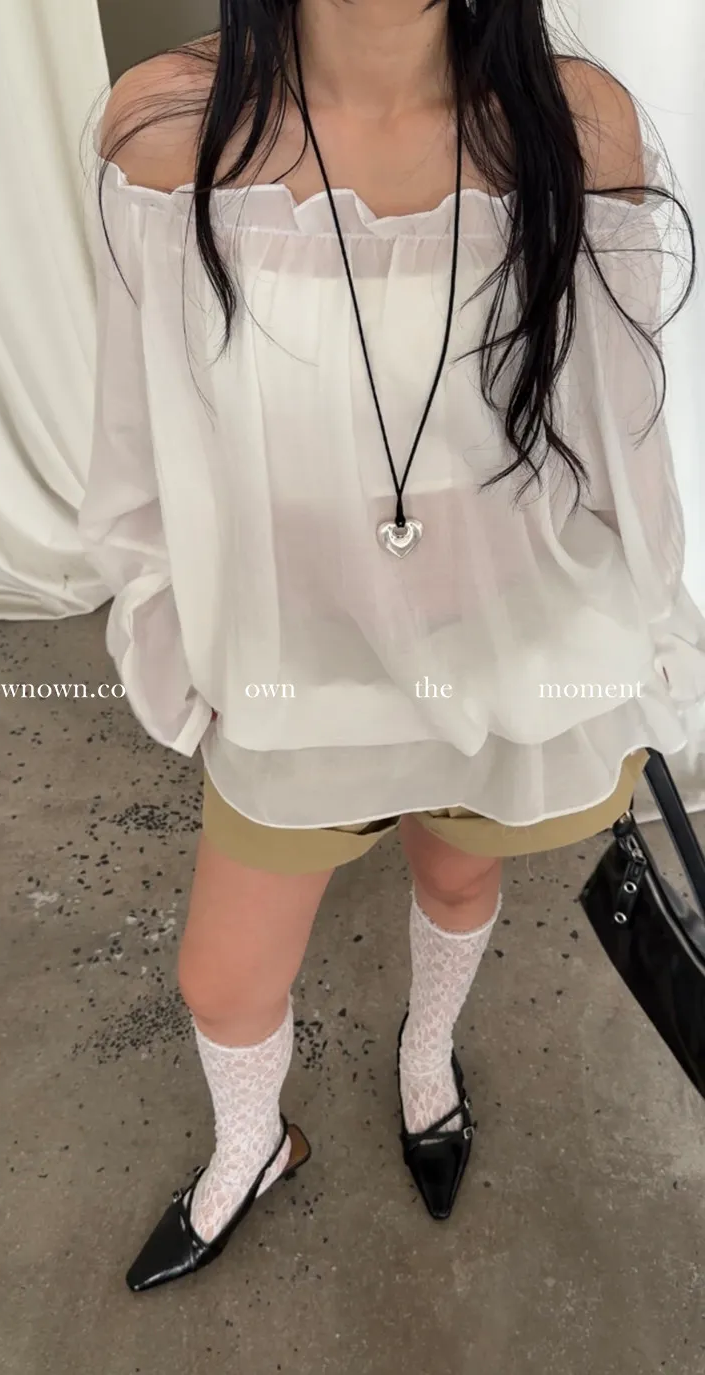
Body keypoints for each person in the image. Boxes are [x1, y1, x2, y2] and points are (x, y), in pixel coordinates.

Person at [78, 0, 704, 1292]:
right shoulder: (167, 131)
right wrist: (171, 633)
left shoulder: (574, 125)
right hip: (296, 661)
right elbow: (139, 443)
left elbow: (623, 441)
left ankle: (428, 1059)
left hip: (502, 647)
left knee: (458, 881)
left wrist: (654, 641)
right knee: (223, 975)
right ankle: (252, 1141)